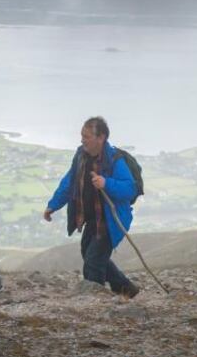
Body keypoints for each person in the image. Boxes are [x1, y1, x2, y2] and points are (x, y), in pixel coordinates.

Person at [44, 116, 140, 298]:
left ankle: (93, 303)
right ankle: (126, 288)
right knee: (89, 253)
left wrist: (106, 183)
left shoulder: (114, 160)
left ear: (101, 137)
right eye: (82, 135)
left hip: (111, 220)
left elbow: (130, 188)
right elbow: (69, 182)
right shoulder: (81, 156)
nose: (82, 140)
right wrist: (53, 205)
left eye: (86, 136)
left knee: (93, 261)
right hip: (91, 219)